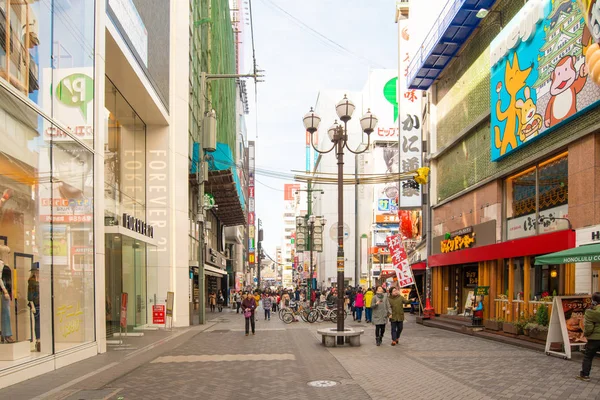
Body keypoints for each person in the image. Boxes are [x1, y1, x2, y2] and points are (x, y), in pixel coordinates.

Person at [578, 292, 600, 381]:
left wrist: (586, 334)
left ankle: (585, 375)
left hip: (594, 338)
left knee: (588, 356)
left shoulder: (590, 312)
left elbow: (588, 327)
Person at [28, 264, 41, 351]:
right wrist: (32, 305)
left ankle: (41, 339)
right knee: (37, 322)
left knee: (42, 322)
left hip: (42, 303)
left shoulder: (41, 280)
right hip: (36, 304)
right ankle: (38, 340)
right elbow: (30, 295)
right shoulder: (32, 281)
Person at [0, 264, 14, 343]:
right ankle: (7, 334)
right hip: (4, 292)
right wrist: (5, 290)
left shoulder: (4, 265)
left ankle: (4, 334)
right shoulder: (1, 263)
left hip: (6, 291)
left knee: (6, 313)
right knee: (6, 313)